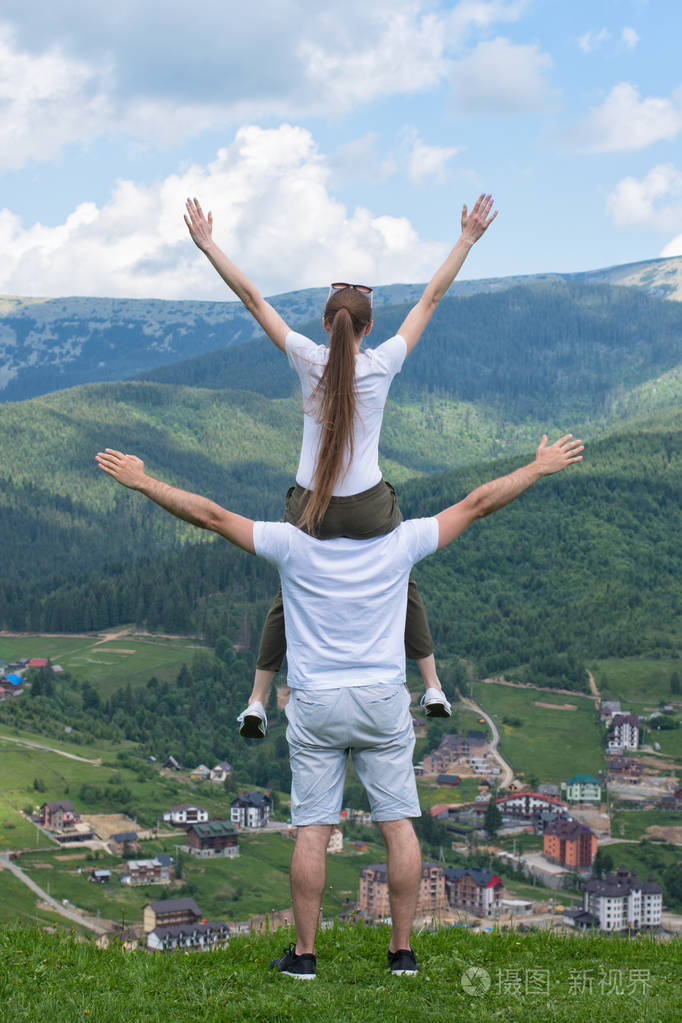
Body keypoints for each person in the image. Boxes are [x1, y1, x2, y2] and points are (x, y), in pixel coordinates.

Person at [95, 431, 583, 977]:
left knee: (313, 828)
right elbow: (478, 502)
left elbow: (209, 515)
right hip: (381, 701)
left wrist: (141, 482)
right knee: (398, 826)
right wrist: (538, 468)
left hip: (317, 702)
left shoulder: (290, 544)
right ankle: (402, 952)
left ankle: (304, 957)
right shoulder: (401, 542)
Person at [183, 195, 498, 739]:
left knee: (291, 587)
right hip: (372, 508)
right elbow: (431, 298)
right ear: (368, 328)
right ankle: (432, 684)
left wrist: (209, 244)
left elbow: (253, 299)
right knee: (402, 574)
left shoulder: (308, 358)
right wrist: (466, 239)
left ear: (328, 324)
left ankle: (257, 699)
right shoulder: (384, 363)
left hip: (311, 508)